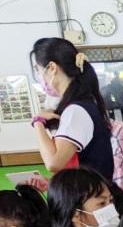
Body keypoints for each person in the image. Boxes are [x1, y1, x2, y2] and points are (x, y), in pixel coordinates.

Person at [30, 38, 113, 179]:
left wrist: (38, 122)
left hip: (90, 197)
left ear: (51, 68)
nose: (39, 76)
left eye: (38, 70)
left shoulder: (75, 110)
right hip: (89, 192)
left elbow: (53, 163)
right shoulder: (81, 104)